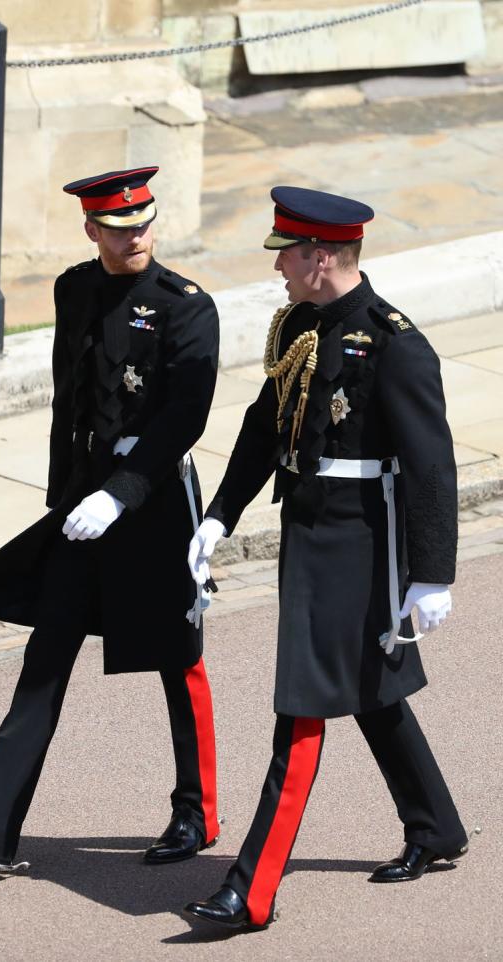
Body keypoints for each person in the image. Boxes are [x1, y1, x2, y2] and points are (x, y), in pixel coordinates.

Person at [0, 166, 221, 874]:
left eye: (143, 223)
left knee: (179, 660)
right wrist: (67, 496)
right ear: (92, 231)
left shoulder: (186, 306)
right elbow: (69, 399)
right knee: (45, 657)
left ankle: (197, 813)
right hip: (84, 504)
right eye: (118, 228)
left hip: (151, 500)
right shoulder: (74, 288)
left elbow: (185, 417)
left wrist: (121, 493)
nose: (134, 236)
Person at [184, 186, 468, 930]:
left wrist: (432, 573)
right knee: (370, 688)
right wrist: (220, 513)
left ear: (319, 258)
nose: (278, 267)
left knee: (303, 706)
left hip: (360, 539)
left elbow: (433, 466)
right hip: (309, 527)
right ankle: (436, 829)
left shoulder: (395, 342)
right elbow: (263, 425)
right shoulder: (301, 325)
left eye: (287, 254)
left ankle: (252, 891)